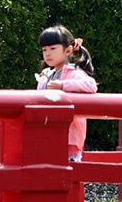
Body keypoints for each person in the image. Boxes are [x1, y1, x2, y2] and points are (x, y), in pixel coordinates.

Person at [36, 26, 99, 161]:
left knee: (67, 170)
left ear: (68, 50)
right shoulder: (46, 75)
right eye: (44, 50)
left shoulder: (73, 73)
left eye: (52, 49)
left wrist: (64, 85)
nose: (47, 53)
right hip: (47, 130)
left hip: (69, 133)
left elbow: (91, 85)